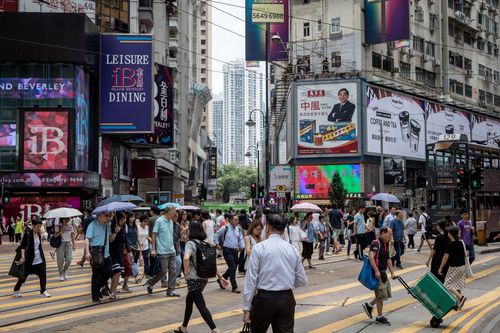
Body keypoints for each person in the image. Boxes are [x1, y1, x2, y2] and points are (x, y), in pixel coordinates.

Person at [242, 214, 308, 332]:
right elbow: (302, 280)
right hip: (286, 298)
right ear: (283, 231)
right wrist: (287, 283)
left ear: (267, 228)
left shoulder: (259, 248)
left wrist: (246, 308)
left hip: (264, 299)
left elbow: (251, 281)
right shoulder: (292, 249)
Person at [174, 222, 229, 333]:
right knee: (189, 300)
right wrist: (220, 277)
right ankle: (184, 328)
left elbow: (185, 258)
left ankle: (214, 329)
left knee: (200, 305)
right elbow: (211, 263)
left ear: (191, 231)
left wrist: (186, 271)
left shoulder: (190, 243)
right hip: (203, 278)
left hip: (193, 279)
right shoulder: (204, 243)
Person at [361, 227, 397, 326]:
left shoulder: (385, 244)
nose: (390, 237)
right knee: (381, 295)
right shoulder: (375, 243)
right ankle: (379, 317)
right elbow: (371, 257)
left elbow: (388, 259)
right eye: (389, 235)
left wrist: (392, 272)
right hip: (377, 273)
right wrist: (376, 271)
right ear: (382, 233)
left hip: (383, 273)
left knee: (384, 293)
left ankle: (369, 305)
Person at [145, 205, 180, 297]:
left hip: (171, 250)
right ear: (168, 211)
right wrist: (153, 249)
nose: (175, 213)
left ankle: (170, 291)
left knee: (173, 270)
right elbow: (154, 234)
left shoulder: (171, 222)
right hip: (162, 251)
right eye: (174, 211)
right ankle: (151, 282)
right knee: (163, 271)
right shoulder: (159, 221)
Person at [13, 219, 51, 298]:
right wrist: (23, 257)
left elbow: (38, 246)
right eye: (37, 227)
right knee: (23, 276)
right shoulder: (28, 234)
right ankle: (16, 289)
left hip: (39, 259)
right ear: (33, 226)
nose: (38, 228)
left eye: (40, 227)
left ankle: (43, 291)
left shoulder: (39, 234)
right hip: (29, 260)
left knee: (43, 275)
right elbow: (23, 246)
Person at [214, 214, 245, 293]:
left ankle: (222, 278)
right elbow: (216, 235)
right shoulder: (225, 228)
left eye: (237, 220)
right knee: (233, 268)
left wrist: (242, 247)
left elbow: (240, 238)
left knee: (233, 267)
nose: (237, 221)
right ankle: (234, 287)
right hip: (227, 250)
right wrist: (217, 244)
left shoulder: (238, 229)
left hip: (235, 251)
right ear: (230, 220)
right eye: (235, 219)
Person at [85, 212, 112, 302]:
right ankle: (95, 295)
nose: (108, 217)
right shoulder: (92, 225)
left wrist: (116, 232)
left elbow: (110, 239)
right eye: (106, 215)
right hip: (96, 253)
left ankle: (98, 289)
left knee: (108, 272)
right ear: (100, 215)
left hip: (106, 253)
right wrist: (87, 252)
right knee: (96, 275)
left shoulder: (107, 225)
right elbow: (87, 238)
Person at [438, 226, 467, 310]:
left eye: (448, 233)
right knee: (457, 285)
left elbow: (445, 257)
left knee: (447, 285)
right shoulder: (461, 242)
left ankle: (461, 298)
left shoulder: (449, 244)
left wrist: (440, 268)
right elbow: (465, 255)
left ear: (450, 234)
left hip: (454, 267)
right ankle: (458, 305)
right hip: (462, 267)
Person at [109, 212, 127, 298]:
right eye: (121, 219)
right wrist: (115, 232)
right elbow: (110, 241)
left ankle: (113, 291)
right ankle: (112, 291)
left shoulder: (123, 228)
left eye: (124, 219)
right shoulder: (112, 228)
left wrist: (128, 251)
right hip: (112, 253)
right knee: (117, 272)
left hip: (120, 253)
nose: (123, 220)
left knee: (117, 273)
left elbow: (125, 241)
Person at [136, 215, 151, 279]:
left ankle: (146, 273)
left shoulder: (147, 227)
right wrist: (139, 243)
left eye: (147, 221)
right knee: (135, 260)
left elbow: (146, 236)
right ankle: (135, 273)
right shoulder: (137, 227)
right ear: (141, 221)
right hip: (138, 246)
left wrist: (150, 239)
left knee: (146, 260)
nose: (146, 222)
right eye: (145, 221)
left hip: (146, 246)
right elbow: (137, 236)